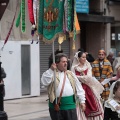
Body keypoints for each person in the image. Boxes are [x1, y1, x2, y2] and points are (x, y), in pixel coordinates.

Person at [41, 53, 86, 120]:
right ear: (57, 63)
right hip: (56, 107)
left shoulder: (70, 74)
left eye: (66, 62)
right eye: (63, 62)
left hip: (70, 106)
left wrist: (82, 101)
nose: (65, 63)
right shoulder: (51, 73)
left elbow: (79, 88)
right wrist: (51, 70)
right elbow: (44, 82)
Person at [71, 51, 104, 120]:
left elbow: (89, 77)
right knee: (80, 105)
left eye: (85, 57)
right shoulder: (74, 68)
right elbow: (73, 78)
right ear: (78, 58)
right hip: (78, 88)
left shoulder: (87, 65)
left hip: (88, 87)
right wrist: (80, 77)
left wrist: (79, 77)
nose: (84, 59)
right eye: (83, 57)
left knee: (94, 104)